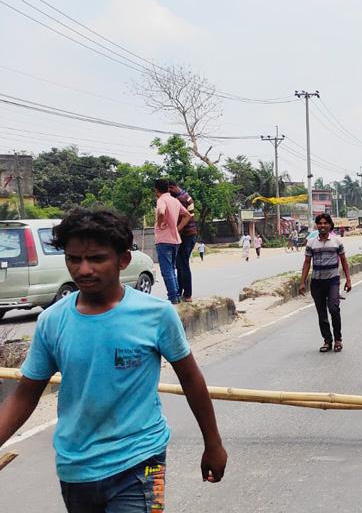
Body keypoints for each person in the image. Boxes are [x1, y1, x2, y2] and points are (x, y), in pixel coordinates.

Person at [0, 208, 227, 511]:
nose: (83, 270)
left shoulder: (156, 315)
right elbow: (25, 396)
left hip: (144, 462)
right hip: (75, 467)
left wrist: (213, 443)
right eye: (74, 259)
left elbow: (191, 379)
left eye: (96, 259)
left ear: (123, 260)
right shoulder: (52, 321)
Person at [299, 214, 352, 353]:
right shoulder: (311, 243)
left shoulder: (337, 241)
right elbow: (306, 263)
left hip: (333, 281)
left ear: (330, 225)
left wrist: (348, 279)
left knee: (334, 309)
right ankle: (327, 341)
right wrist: (302, 282)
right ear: (317, 225)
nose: (322, 226)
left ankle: (338, 339)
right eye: (320, 223)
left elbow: (344, 261)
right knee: (321, 313)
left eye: (325, 223)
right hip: (316, 283)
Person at [154, 178, 190, 304]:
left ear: (156, 190)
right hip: (175, 240)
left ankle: (173, 298)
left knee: (166, 270)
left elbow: (161, 211)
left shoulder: (161, 200)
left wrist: (159, 224)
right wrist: (177, 227)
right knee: (172, 269)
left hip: (164, 240)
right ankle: (176, 296)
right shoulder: (175, 201)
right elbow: (187, 215)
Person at [168, 181, 198, 303]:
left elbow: (183, 219)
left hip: (186, 236)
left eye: (169, 190)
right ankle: (181, 292)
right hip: (190, 235)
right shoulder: (186, 195)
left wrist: (176, 233)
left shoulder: (180, 199)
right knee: (181, 265)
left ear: (172, 187)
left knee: (183, 265)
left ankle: (187, 294)